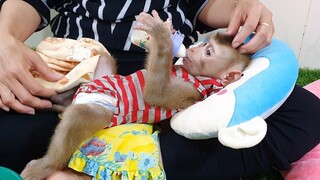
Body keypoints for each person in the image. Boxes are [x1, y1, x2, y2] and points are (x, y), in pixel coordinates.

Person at [0, 0, 319, 179]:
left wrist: (245, 9)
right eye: (204, 44)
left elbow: (218, 9)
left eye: (207, 47)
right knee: (8, 132)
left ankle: (98, 168)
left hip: (165, 77)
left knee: (304, 114)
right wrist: (4, 38)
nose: (200, 46)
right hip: (83, 69)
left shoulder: (198, 79)